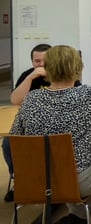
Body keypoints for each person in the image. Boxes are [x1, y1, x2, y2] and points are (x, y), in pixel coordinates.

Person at [10, 45, 91, 224]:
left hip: (34, 180)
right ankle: (78, 216)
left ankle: (66, 206)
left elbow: (15, 136)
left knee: (64, 171)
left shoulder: (31, 99)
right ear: (77, 68)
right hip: (78, 180)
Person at [3, 44, 52, 202]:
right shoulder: (27, 75)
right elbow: (15, 100)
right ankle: (20, 180)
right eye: (37, 61)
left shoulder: (63, 73)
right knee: (8, 142)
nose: (41, 64)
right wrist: (31, 77)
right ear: (32, 62)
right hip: (30, 123)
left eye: (45, 61)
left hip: (55, 124)